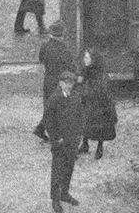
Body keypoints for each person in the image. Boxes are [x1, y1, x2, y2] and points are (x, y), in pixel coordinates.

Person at [44, 70, 85, 213]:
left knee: (69, 168)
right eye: (66, 83)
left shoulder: (76, 97)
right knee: (57, 171)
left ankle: (64, 194)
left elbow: (80, 116)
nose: (69, 86)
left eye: (71, 83)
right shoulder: (54, 99)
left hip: (72, 140)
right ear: (60, 83)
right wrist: (56, 138)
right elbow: (48, 121)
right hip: (60, 142)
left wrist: (79, 134)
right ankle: (55, 200)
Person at [34, 22, 75, 142]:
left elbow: (41, 60)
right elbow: (70, 66)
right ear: (61, 36)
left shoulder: (45, 46)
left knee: (49, 106)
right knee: (59, 108)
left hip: (48, 80)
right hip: (59, 82)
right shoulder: (64, 49)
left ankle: (41, 128)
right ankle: (53, 135)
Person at [77, 49, 117, 159]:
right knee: (84, 121)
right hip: (87, 100)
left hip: (99, 102)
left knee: (99, 123)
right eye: (84, 57)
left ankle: (100, 147)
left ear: (93, 59)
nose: (84, 60)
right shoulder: (85, 69)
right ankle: (85, 144)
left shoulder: (100, 72)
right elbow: (79, 81)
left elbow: (102, 88)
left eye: (87, 58)